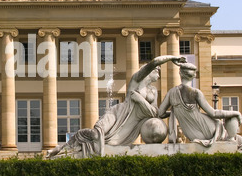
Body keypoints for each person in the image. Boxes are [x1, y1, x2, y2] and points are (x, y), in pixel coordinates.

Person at [47, 55, 186, 158]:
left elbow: (156, 113)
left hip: (131, 126)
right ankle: (61, 149)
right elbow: (155, 61)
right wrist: (172, 58)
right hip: (118, 114)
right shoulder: (136, 81)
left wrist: (175, 111)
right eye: (157, 70)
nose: (159, 73)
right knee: (95, 134)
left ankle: (63, 151)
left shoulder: (153, 91)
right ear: (150, 71)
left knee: (104, 144)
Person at [158, 62, 242, 152]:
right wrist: (236, 113)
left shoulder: (171, 93)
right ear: (194, 75)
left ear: (180, 73)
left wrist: (177, 112)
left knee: (226, 134)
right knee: (229, 125)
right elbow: (213, 113)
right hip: (206, 129)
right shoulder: (195, 92)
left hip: (191, 134)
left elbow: (161, 113)